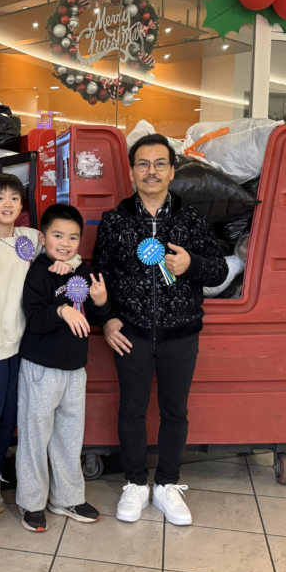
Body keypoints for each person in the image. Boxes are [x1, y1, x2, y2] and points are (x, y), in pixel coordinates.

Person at [92, 134, 228, 526]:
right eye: (143, 164)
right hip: (130, 333)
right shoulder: (115, 221)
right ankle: (136, 483)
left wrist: (194, 265)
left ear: (171, 170)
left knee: (174, 411)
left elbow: (219, 271)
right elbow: (99, 275)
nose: (151, 171)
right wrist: (108, 318)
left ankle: (168, 484)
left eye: (159, 164)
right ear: (132, 171)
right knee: (131, 410)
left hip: (180, 334)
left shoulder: (193, 220)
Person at [0, 174, 77, 531]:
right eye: (0, 198)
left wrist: (68, 266)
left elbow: (62, 252)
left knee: (9, 420)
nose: (8, 204)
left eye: (15, 197)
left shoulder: (29, 240)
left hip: (24, 348)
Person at [16, 203, 109, 533]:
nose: (65, 243)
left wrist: (99, 301)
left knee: (70, 437)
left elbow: (94, 319)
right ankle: (31, 503)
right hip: (41, 368)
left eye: (73, 237)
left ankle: (67, 497)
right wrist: (61, 311)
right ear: (43, 237)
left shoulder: (82, 271)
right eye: (57, 235)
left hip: (75, 370)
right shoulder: (37, 271)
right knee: (34, 437)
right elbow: (35, 318)